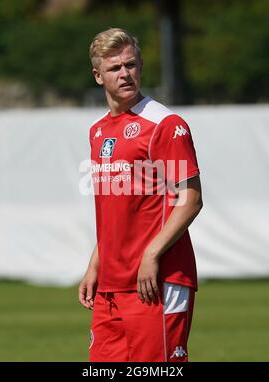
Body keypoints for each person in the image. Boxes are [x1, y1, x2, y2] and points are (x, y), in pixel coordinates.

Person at [79, 27, 203, 362]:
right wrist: (95, 265)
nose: (125, 74)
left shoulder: (164, 124)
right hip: (111, 286)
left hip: (158, 279)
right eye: (115, 68)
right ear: (98, 76)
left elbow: (190, 199)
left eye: (131, 65)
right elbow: (117, 212)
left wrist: (151, 255)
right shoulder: (98, 132)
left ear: (141, 66)